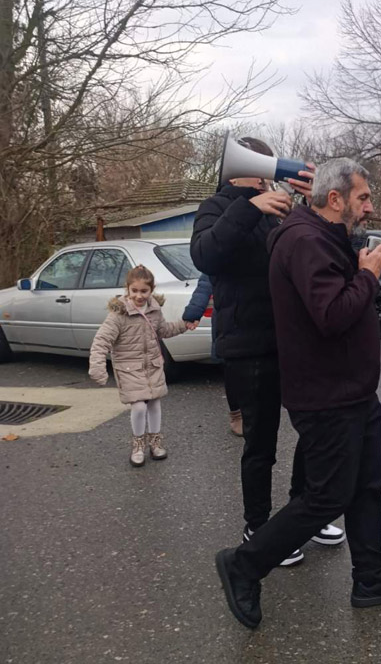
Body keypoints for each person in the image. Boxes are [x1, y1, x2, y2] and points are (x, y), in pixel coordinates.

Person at [215, 157, 381, 629]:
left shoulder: (323, 235)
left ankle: (371, 577)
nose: (369, 207)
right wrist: (368, 274)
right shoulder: (305, 240)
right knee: (326, 497)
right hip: (327, 394)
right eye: (363, 198)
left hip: (353, 390)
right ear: (335, 199)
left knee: (366, 487)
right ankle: (244, 564)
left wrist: (357, 262)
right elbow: (331, 315)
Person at [190, 137, 345, 566]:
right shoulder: (216, 207)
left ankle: (301, 516)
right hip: (248, 346)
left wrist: (315, 204)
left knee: (312, 431)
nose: (266, 176)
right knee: (260, 444)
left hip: (291, 342)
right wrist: (249, 208)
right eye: (260, 166)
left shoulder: (279, 209)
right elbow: (205, 255)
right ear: (240, 170)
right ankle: (258, 526)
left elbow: (311, 253)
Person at [89, 264, 194, 466]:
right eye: (134, 290)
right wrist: (97, 367)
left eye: (144, 291)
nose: (139, 295)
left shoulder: (154, 310)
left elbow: (164, 330)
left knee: (154, 403)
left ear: (151, 290)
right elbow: (101, 341)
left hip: (152, 366)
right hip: (129, 368)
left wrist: (184, 325)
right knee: (138, 406)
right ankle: (138, 444)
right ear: (127, 289)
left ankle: (155, 441)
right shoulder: (119, 314)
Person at [181, 272, 243, 436]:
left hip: (255, 320)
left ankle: (254, 412)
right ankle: (236, 415)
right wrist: (193, 313)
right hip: (227, 322)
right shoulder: (219, 260)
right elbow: (204, 286)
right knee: (231, 371)